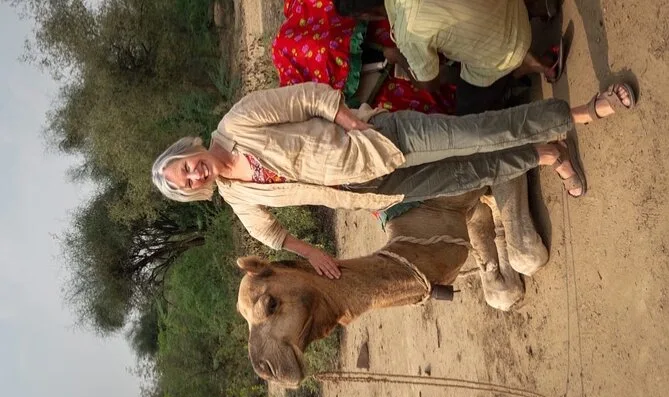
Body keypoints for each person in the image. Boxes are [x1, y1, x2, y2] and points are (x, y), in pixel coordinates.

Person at [152, 81, 635, 279]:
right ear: (194, 192)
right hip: (373, 190)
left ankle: (584, 111)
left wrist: (350, 121)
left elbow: (302, 99)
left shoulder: (237, 124)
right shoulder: (237, 194)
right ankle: (546, 154)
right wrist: (311, 252)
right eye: (186, 181)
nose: (194, 173)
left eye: (185, 165)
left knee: (476, 134)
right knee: (472, 172)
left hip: (378, 141)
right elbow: (269, 233)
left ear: (189, 149)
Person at [333, 0, 565, 114]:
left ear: (366, 14)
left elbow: (429, 84)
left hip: (506, 47)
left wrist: (399, 57)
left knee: (465, 109)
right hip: (514, 7)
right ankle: (540, 12)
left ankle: (521, 70)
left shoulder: (408, 32)